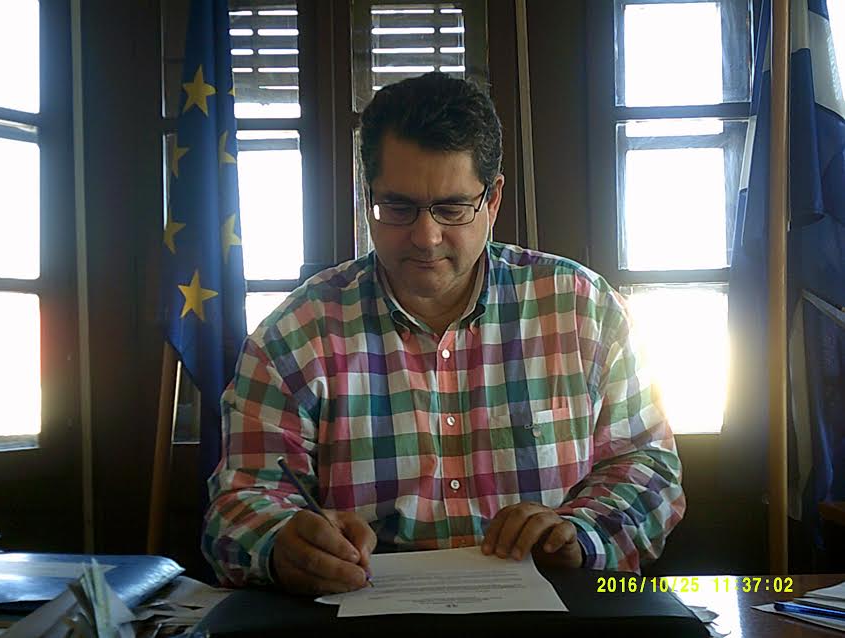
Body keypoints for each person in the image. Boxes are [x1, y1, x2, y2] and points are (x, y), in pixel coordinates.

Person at [202, 72, 686, 594]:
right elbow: (239, 503)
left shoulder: (582, 310)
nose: (426, 237)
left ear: (492, 200)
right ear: (368, 198)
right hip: (359, 613)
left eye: (452, 209)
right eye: (398, 208)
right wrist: (281, 544)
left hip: (553, 609)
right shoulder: (296, 334)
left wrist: (582, 533)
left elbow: (648, 468)